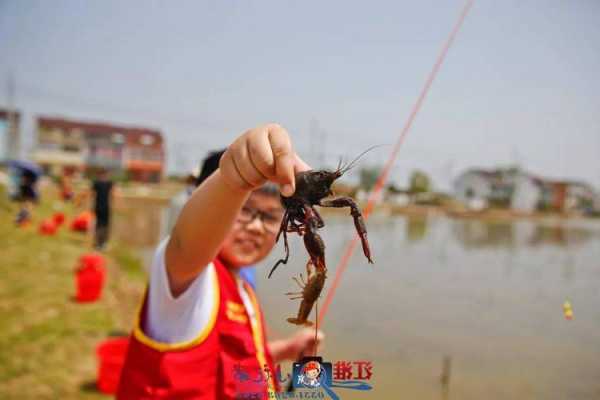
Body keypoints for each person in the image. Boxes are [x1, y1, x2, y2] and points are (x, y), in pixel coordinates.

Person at [117, 124, 324, 399]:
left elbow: (236, 364)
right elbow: (188, 240)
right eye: (244, 210)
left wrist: (284, 351)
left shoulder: (244, 288)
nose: (255, 227)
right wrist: (233, 180)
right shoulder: (189, 276)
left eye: (270, 217)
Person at [91, 168, 114, 250]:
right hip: (105, 207)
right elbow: (113, 195)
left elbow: (92, 194)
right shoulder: (109, 183)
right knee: (104, 225)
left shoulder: (96, 183)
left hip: (98, 206)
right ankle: (102, 243)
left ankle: (98, 243)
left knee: (98, 225)